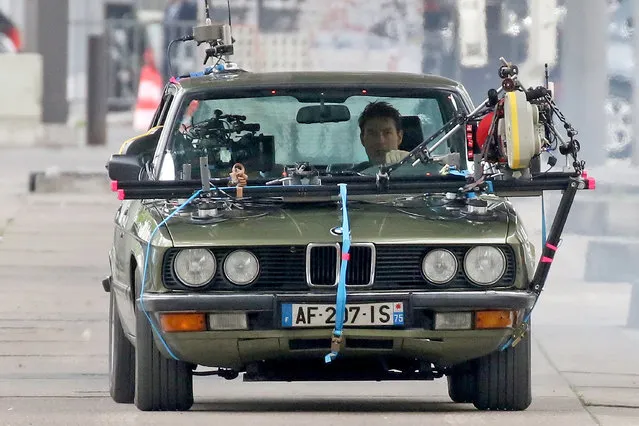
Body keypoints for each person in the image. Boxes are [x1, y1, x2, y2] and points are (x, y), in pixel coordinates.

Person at [358, 101, 410, 165]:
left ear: (399, 137)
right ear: (362, 139)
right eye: (372, 134)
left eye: (387, 133)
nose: (380, 141)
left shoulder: (419, 171)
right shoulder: (349, 174)